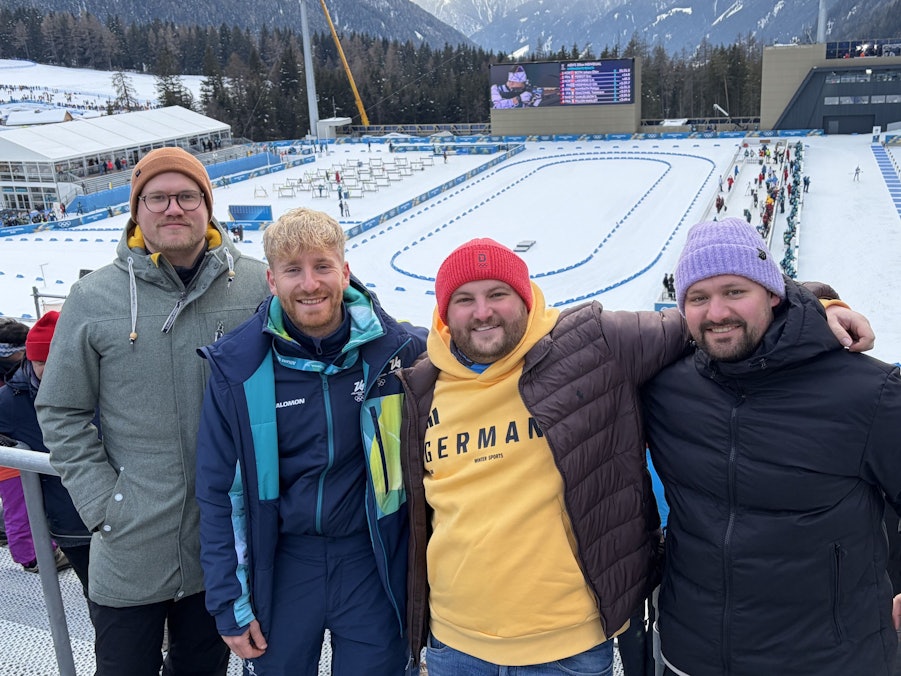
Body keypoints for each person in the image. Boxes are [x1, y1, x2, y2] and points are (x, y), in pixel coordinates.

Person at [395, 238, 872, 676]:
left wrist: (819, 304)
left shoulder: (594, 343)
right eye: (464, 299)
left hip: (567, 651)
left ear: (525, 297)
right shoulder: (420, 386)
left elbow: (714, 314)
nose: (483, 312)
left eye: (497, 294)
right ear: (444, 312)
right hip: (454, 646)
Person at [36, 146, 270, 676]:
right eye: (157, 198)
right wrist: (105, 503)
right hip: (131, 542)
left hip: (222, 547)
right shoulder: (94, 297)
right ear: (136, 211)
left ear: (207, 206)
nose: (173, 209)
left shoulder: (257, 285)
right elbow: (61, 410)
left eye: (187, 196)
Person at [641, 217, 901, 676]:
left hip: (828, 659)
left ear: (773, 294)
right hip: (691, 654)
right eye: (698, 298)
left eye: (735, 291)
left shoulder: (868, 393)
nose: (717, 312)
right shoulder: (666, 387)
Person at [194, 207, 427, 674]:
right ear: (271, 280)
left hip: (371, 557)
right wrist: (228, 600)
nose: (309, 284)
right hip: (284, 562)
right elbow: (221, 494)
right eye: (292, 270)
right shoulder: (239, 369)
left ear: (345, 271)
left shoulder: (398, 354)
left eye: (322, 266)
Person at [0, 312, 89, 584]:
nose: (49, 369)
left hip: (110, 514)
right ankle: (31, 556)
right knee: (18, 503)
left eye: (55, 361)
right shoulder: (11, 399)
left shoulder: (101, 384)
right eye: (40, 361)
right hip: (66, 519)